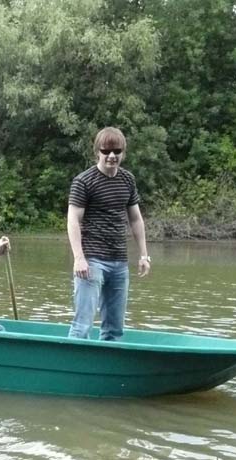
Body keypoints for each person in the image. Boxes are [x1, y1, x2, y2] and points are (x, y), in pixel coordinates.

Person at [66, 126, 150, 341]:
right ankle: (72, 360)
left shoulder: (127, 180)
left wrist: (144, 255)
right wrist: (79, 258)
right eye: (106, 151)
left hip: (119, 262)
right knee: (82, 325)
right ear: (98, 152)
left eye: (117, 151)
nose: (111, 156)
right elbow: (73, 220)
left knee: (114, 329)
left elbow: (135, 219)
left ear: (123, 153)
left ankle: (106, 361)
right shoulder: (83, 181)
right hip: (91, 261)